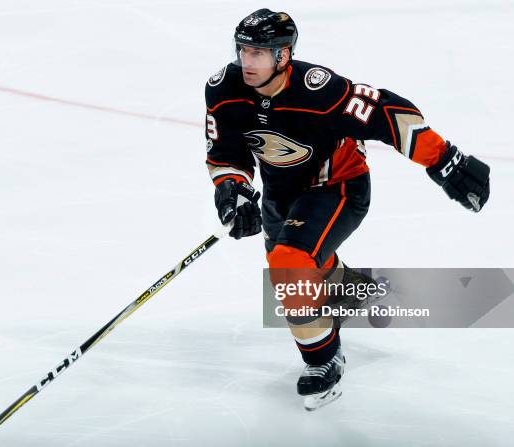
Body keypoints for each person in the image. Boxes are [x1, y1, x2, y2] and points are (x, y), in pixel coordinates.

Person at [204, 8, 490, 410]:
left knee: (289, 266)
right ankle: (347, 286)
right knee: (301, 271)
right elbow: (225, 152)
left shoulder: (318, 91)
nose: (246, 61)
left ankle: (324, 361)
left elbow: (386, 113)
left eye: (258, 53)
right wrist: (232, 188)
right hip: (279, 195)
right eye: (243, 51)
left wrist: (442, 157)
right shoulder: (224, 90)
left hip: (338, 187)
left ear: (283, 56)